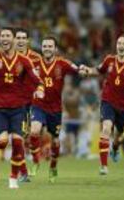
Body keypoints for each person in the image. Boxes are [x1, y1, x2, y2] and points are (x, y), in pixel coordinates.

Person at [0, 27, 45, 189]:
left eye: (8, 36)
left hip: (18, 108)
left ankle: (13, 177)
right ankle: (18, 168)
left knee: (18, 141)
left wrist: (40, 89)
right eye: (2, 36)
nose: (4, 38)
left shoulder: (24, 61)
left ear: (14, 40)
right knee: (1, 143)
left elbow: (37, 80)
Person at [80, 34, 124, 175]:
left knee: (118, 136)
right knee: (106, 128)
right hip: (107, 101)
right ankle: (104, 166)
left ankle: (115, 148)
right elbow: (98, 70)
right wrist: (88, 70)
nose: (121, 46)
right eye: (119, 43)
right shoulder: (109, 60)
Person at [28, 36, 83, 183]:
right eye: (44, 46)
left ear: (55, 49)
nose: (47, 48)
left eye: (49, 46)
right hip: (38, 105)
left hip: (55, 108)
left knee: (55, 141)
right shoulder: (34, 63)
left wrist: (83, 70)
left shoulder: (62, 63)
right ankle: (35, 161)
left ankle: (53, 166)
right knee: (34, 130)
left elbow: (77, 69)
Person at [14, 28, 42, 181]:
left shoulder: (36, 58)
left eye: (23, 38)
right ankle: (23, 172)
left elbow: (42, 77)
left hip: (35, 102)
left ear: (27, 40)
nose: (20, 40)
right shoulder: (9, 57)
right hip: (17, 103)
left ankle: (36, 156)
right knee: (19, 137)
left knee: (34, 133)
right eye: (17, 37)